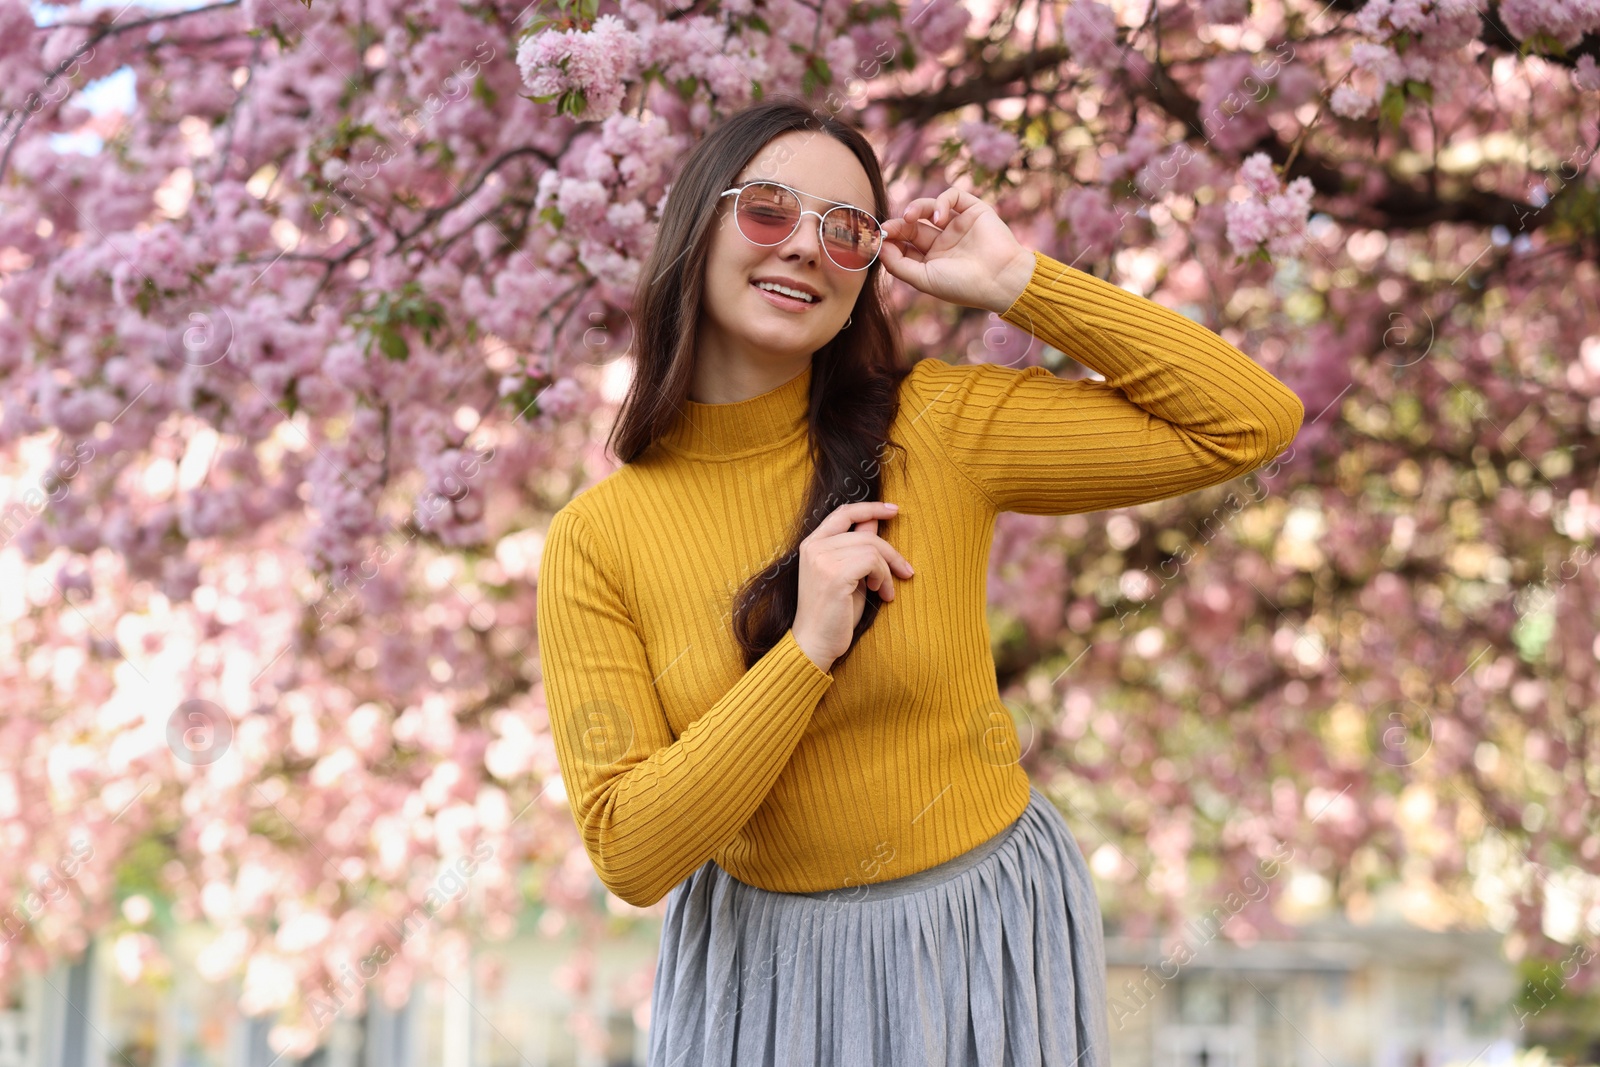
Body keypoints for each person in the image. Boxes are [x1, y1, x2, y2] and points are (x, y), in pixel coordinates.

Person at [535, 94, 1305, 1066]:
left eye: (845, 231)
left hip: (979, 941)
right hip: (762, 979)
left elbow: (1248, 420)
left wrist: (1015, 279)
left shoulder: (934, 426)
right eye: (768, 210)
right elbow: (632, 851)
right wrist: (805, 648)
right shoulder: (597, 539)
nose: (806, 248)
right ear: (699, 225)